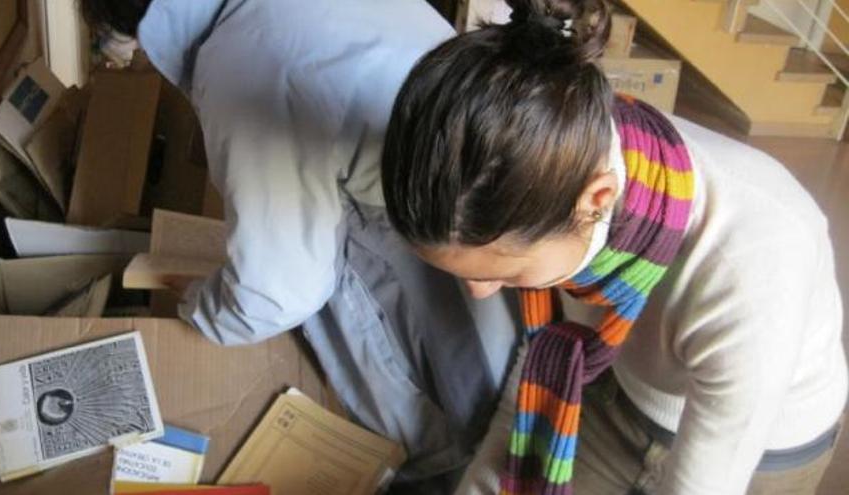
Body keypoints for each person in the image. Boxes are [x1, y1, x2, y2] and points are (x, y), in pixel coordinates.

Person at [380, 0, 848, 493]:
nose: (480, 294)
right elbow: (545, 351)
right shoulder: (565, 165)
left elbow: (706, 480)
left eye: (506, 275)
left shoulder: (751, 268)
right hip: (621, 390)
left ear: (598, 200)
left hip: (762, 449)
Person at [78, 0, 522, 490]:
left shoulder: (244, 61)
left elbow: (276, 295)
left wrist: (197, 306)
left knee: (460, 453)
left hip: (441, 259)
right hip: (503, 222)